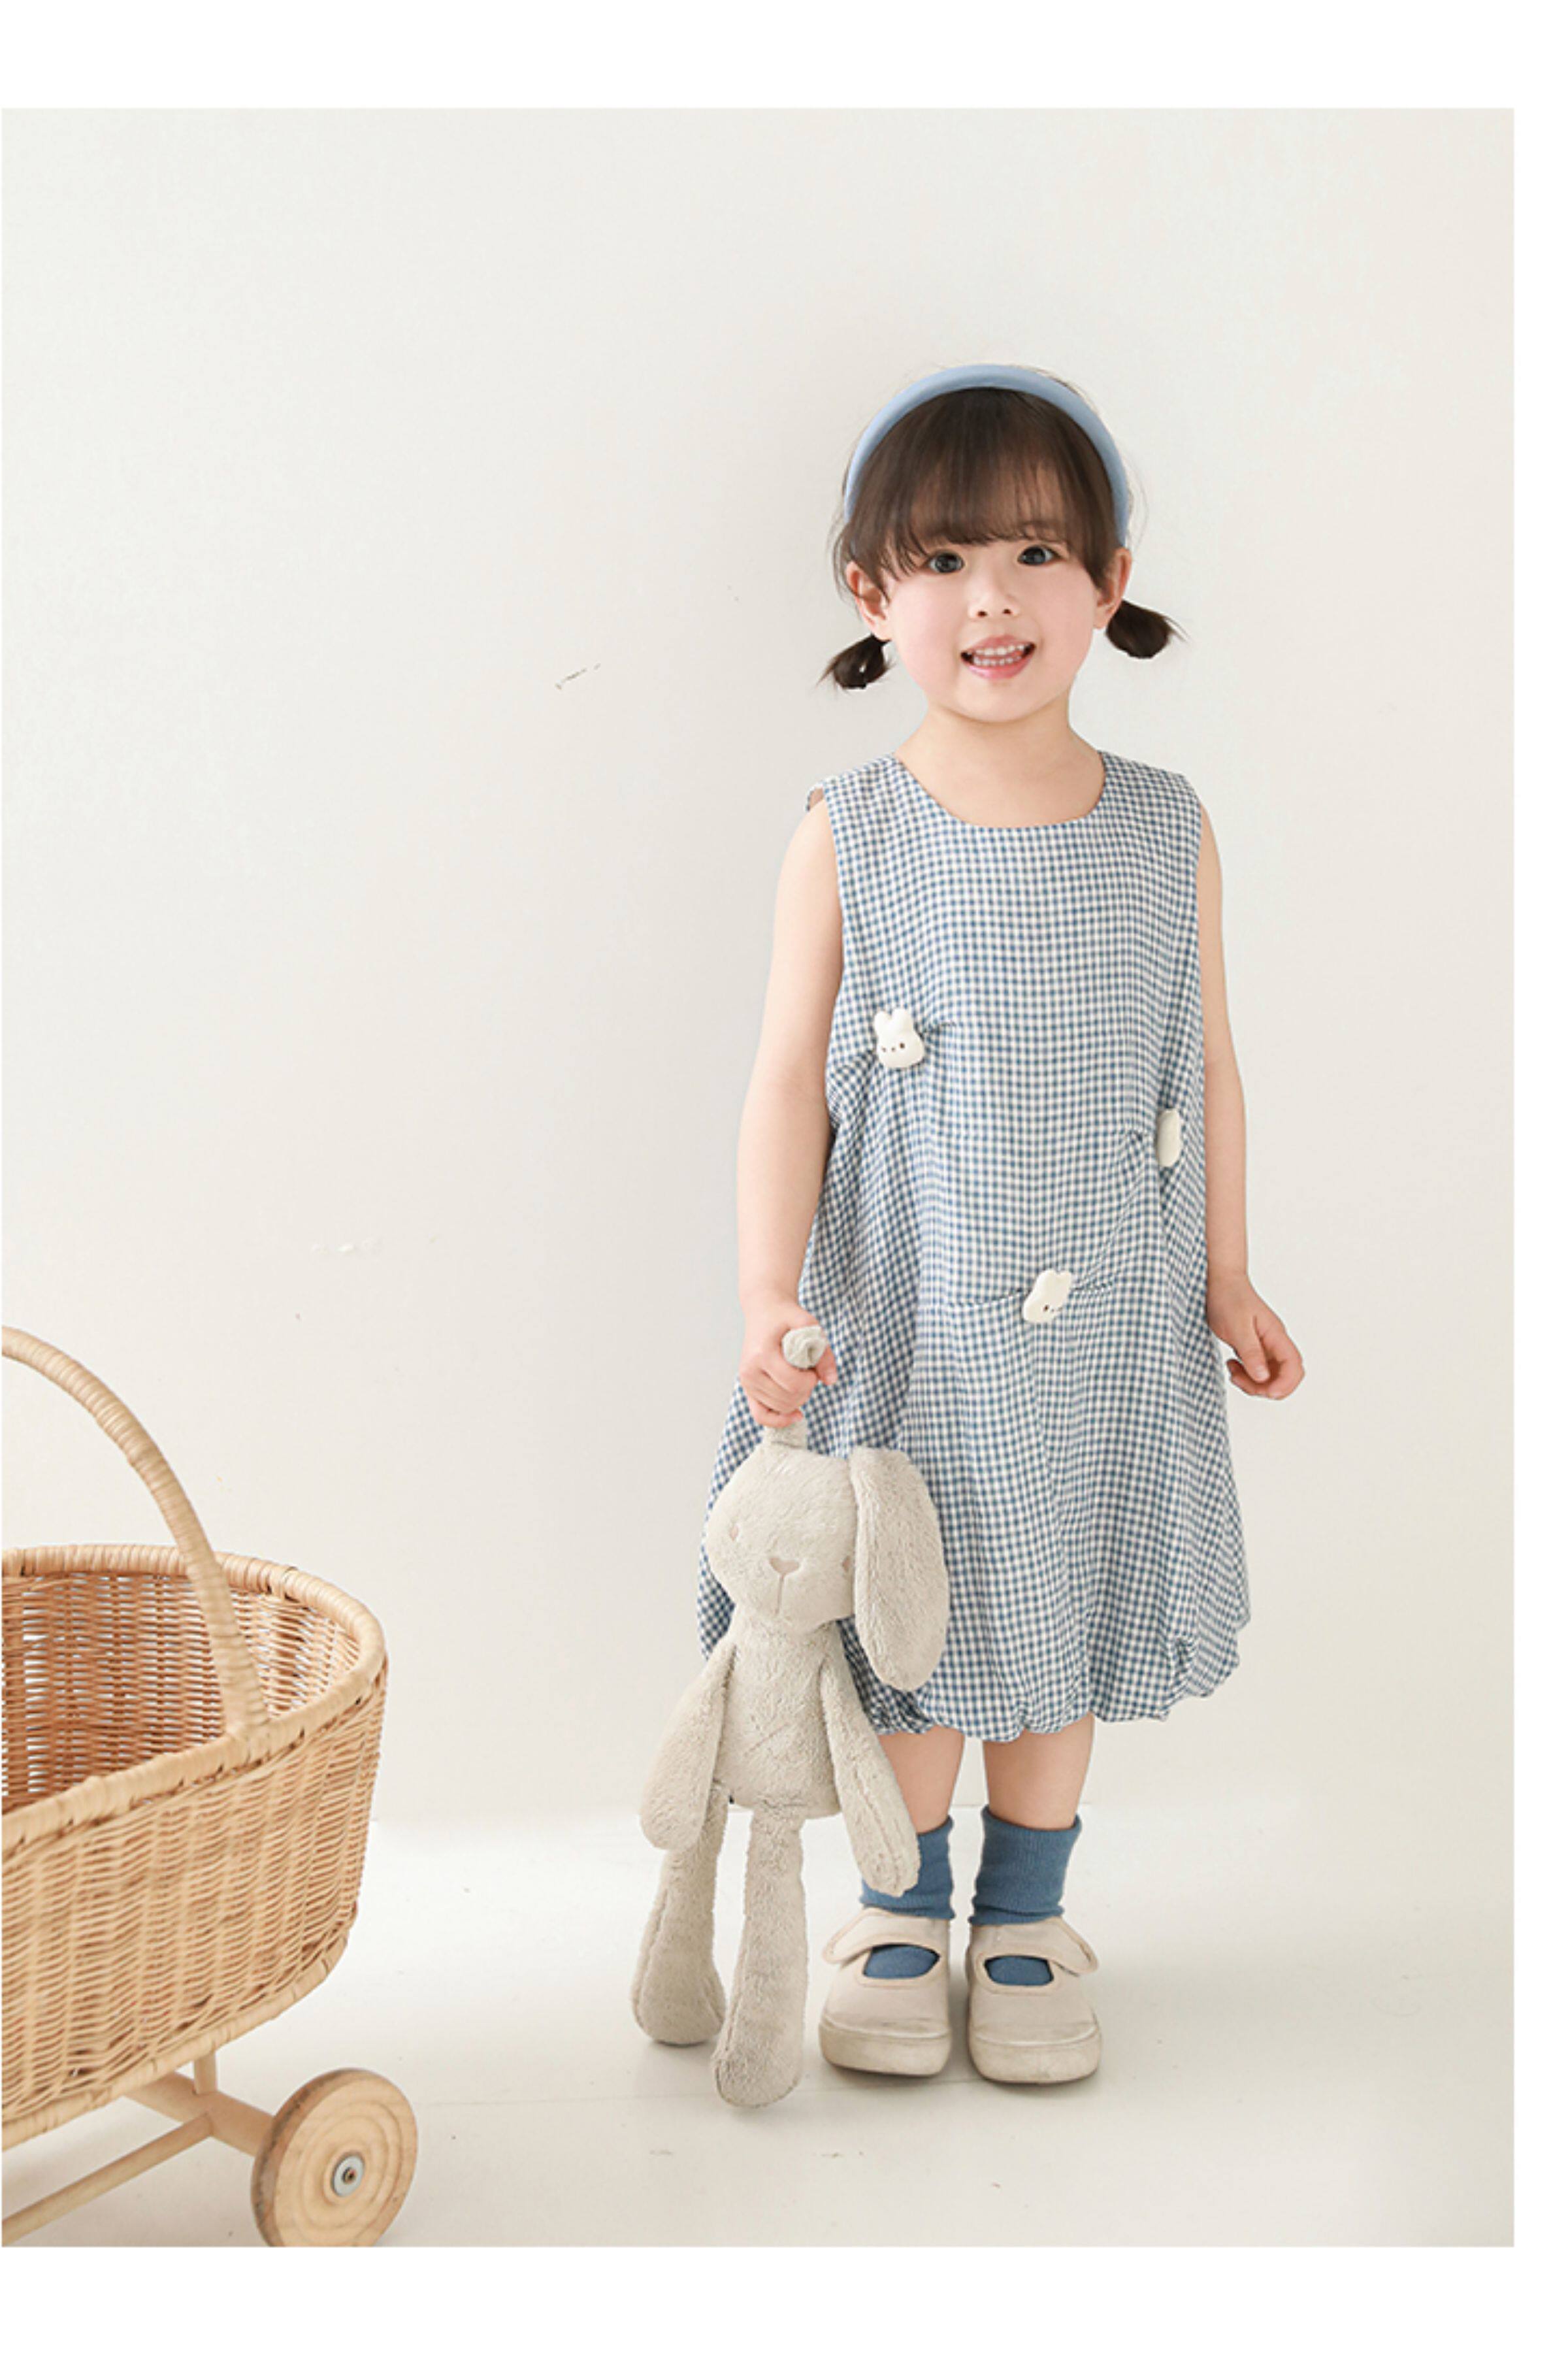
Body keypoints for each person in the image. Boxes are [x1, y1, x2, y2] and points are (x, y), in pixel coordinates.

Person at [693, 363, 1304, 2086]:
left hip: (1106, 1310)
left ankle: (1027, 1916)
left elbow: (1208, 1060)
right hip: (910, 1304)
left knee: (1058, 1599)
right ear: (870, 593)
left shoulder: (1165, 825)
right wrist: (766, 1288)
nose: (994, 598)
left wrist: (1227, 1271)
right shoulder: (853, 831)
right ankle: (898, 1909)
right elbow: (785, 1084)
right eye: (947, 557)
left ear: (1111, 582)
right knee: (917, 1614)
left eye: (1038, 552)